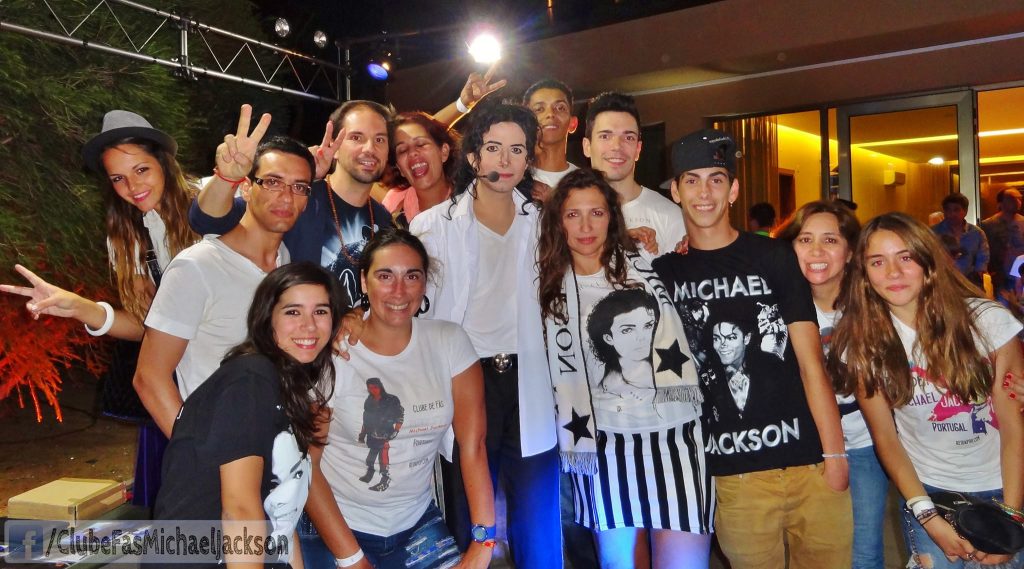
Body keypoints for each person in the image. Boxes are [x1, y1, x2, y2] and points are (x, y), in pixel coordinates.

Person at [653, 128, 852, 569]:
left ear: (734, 190)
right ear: (675, 191)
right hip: (734, 475)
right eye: (691, 180)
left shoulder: (774, 258)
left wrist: (835, 455)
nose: (704, 192)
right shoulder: (663, 273)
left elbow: (810, 363)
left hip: (809, 463)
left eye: (716, 179)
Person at [1, 110, 198, 507]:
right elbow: (147, 326)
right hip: (181, 385)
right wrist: (80, 308)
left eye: (141, 169)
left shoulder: (211, 204)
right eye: (118, 178)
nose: (133, 186)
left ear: (163, 163)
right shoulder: (126, 235)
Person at [408, 100, 562, 568]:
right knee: (468, 515)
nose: (505, 160)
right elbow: (415, 310)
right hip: (465, 381)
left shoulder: (544, 222)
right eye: (493, 148)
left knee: (538, 516)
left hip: (530, 378)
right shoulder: (431, 226)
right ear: (473, 156)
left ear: (529, 158)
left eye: (517, 149)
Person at [827, 212, 1024, 568]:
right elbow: (886, 438)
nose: (893, 272)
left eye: (905, 257)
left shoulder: (987, 321)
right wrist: (928, 516)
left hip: (1004, 485)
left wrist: (1010, 517)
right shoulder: (862, 345)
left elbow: (1014, 428)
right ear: (864, 274)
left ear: (927, 260)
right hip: (929, 490)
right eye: (877, 262)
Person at [538, 168, 711, 568]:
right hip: (602, 445)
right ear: (558, 222)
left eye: (596, 213)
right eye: (573, 214)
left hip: (676, 436)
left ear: (612, 217)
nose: (585, 226)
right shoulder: (545, 286)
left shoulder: (649, 262)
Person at [301, 229, 494, 569]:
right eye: (385, 276)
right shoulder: (336, 353)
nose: (399, 291)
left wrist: (484, 541)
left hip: (416, 523)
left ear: (424, 283)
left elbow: (473, 446)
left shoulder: (449, 342)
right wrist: (352, 559)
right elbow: (307, 465)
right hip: (334, 522)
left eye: (412, 276)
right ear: (364, 282)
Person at [135, 109, 314, 437]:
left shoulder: (285, 263)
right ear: (246, 188)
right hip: (220, 451)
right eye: (273, 182)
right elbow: (149, 377)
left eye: (299, 187)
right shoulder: (197, 267)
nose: (286, 197)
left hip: (276, 444)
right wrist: (197, 451)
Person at [154, 262, 345, 569]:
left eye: (320, 311)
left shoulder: (288, 384)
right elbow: (239, 510)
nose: (309, 326)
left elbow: (282, 515)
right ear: (267, 318)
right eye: (293, 312)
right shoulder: (250, 381)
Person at [189, 101, 394, 306]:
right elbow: (207, 221)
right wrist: (227, 178)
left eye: (380, 139)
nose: (370, 149)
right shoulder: (299, 197)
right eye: (356, 137)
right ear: (336, 146)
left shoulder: (384, 219)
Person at [776, 200, 889, 569]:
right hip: (802, 446)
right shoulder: (773, 306)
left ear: (851, 250)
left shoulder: (876, 303)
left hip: (864, 444)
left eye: (830, 240)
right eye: (805, 239)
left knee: (862, 553)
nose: (816, 251)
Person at [583, 92, 685, 256]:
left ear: (638, 149)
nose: (617, 146)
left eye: (628, 137)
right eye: (605, 136)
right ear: (587, 147)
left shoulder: (670, 217)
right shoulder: (568, 214)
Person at [381, 112, 459, 227]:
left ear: (444, 152)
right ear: (400, 168)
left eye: (421, 144)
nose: (412, 153)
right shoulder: (393, 205)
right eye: (403, 150)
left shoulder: (472, 199)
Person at [523, 79, 579, 202]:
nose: (550, 114)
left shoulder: (585, 182)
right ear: (526, 123)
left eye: (560, 108)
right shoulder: (513, 177)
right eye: (539, 109)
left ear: (573, 123)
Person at [931, 193, 989, 290]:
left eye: (956, 210)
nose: (952, 214)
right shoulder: (934, 232)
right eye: (948, 210)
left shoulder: (976, 233)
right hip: (942, 281)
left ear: (965, 211)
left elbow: (983, 258)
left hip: (969, 282)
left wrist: (978, 275)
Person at [981, 187, 1024, 296]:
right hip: (1000, 277)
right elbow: (984, 251)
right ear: (1001, 203)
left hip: (1021, 275)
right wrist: (992, 272)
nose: (1017, 202)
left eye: (1019, 198)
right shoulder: (988, 225)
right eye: (1012, 199)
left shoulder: (1023, 222)